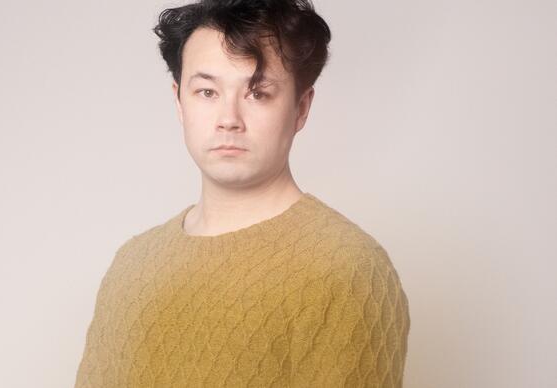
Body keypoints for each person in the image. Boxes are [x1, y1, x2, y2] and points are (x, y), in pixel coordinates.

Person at [74, 0, 410, 386]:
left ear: (301, 108)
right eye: (206, 92)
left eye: (258, 93)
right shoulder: (132, 263)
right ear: (179, 101)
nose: (229, 119)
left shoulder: (348, 269)